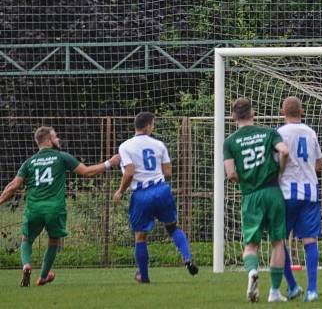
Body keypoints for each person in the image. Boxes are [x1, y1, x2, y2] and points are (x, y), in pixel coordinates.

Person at [0, 126, 120, 287]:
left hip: (34, 208)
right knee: (54, 240)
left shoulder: (29, 162)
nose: (58, 140)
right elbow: (86, 172)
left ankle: (26, 264)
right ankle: (43, 277)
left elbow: (13, 186)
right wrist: (109, 163)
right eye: (56, 137)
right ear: (49, 141)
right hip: (55, 209)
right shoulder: (61, 157)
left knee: (26, 239)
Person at [113, 112, 198, 283]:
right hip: (161, 190)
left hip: (141, 194)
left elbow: (129, 173)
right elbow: (168, 173)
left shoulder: (125, 146)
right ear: (147, 126)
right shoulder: (159, 145)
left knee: (140, 236)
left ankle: (143, 276)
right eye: (153, 125)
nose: (153, 127)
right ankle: (187, 257)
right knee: (173, 227)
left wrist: (120, 191)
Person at [223, 98, 291, 303]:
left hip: (251, 195)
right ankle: (274, 292)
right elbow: (284, 151)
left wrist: (244, 179)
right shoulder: (269, 132)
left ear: (233, 116)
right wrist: (280, 170)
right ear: (253, 113)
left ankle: (252, 272)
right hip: (272, 191)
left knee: (251, 245)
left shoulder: (230, 142)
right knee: (278, 242)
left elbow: (231, 173)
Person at [277, 96, 322, 302]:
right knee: (310, 240)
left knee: (279, 240)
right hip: (310, 192)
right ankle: (312, 290)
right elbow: (319, 164)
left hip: (287, 193)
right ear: (302, 111)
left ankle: (293, 285)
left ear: (282, 112)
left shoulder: (278, 133)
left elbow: (275, 163)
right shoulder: (310, 132)